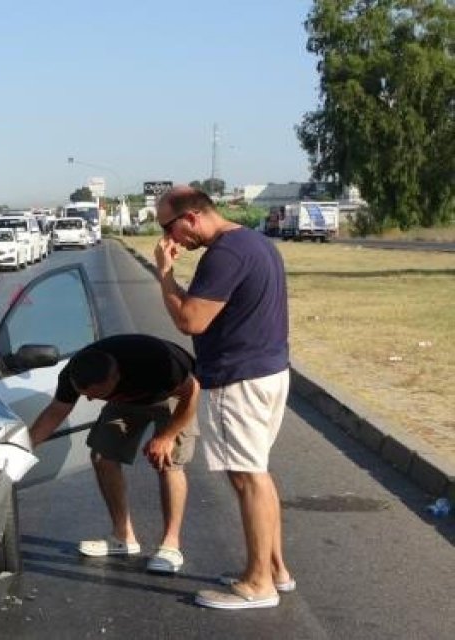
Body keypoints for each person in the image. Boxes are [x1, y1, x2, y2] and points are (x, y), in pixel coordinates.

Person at [153, 186, 293, 610]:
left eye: (168, 226)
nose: (170, 238)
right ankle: (275, 570)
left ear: (191, 217)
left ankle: (257, 584)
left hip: (238, 380)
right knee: (254, 473)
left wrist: (165, 275)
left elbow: (190, 320)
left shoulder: (225, 255)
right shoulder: (254, 242)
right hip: (268, 372)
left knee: (248, 477)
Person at [28, 334, 199, 574]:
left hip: (173, 396)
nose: (88, 398)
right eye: (84, 393)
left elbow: (192, 392)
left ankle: (170, 545)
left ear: (115, 376)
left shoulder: (160, 365)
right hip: (127, 399)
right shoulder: (73, 373)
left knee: (168, 463)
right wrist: (24, 448)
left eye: (96, 395)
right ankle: (122, 537)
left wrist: (166, 437)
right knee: (102, 456)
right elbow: (56, 412)